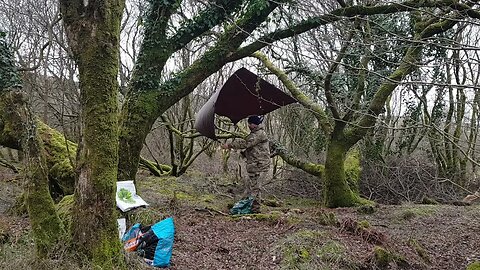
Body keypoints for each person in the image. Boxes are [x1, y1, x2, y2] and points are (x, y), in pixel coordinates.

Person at [221, 115, 271, 213]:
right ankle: (254, 209)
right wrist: (244, 153)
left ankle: (251, 209)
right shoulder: (255, 133)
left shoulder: (259, 134)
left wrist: (230, 145)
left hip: (260, 165)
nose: (248, 125)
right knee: (254, 187)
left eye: (250, 123)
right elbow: (253, 147)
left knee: (255, 188)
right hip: (255, 165)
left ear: (254, 124)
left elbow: (246, 143)